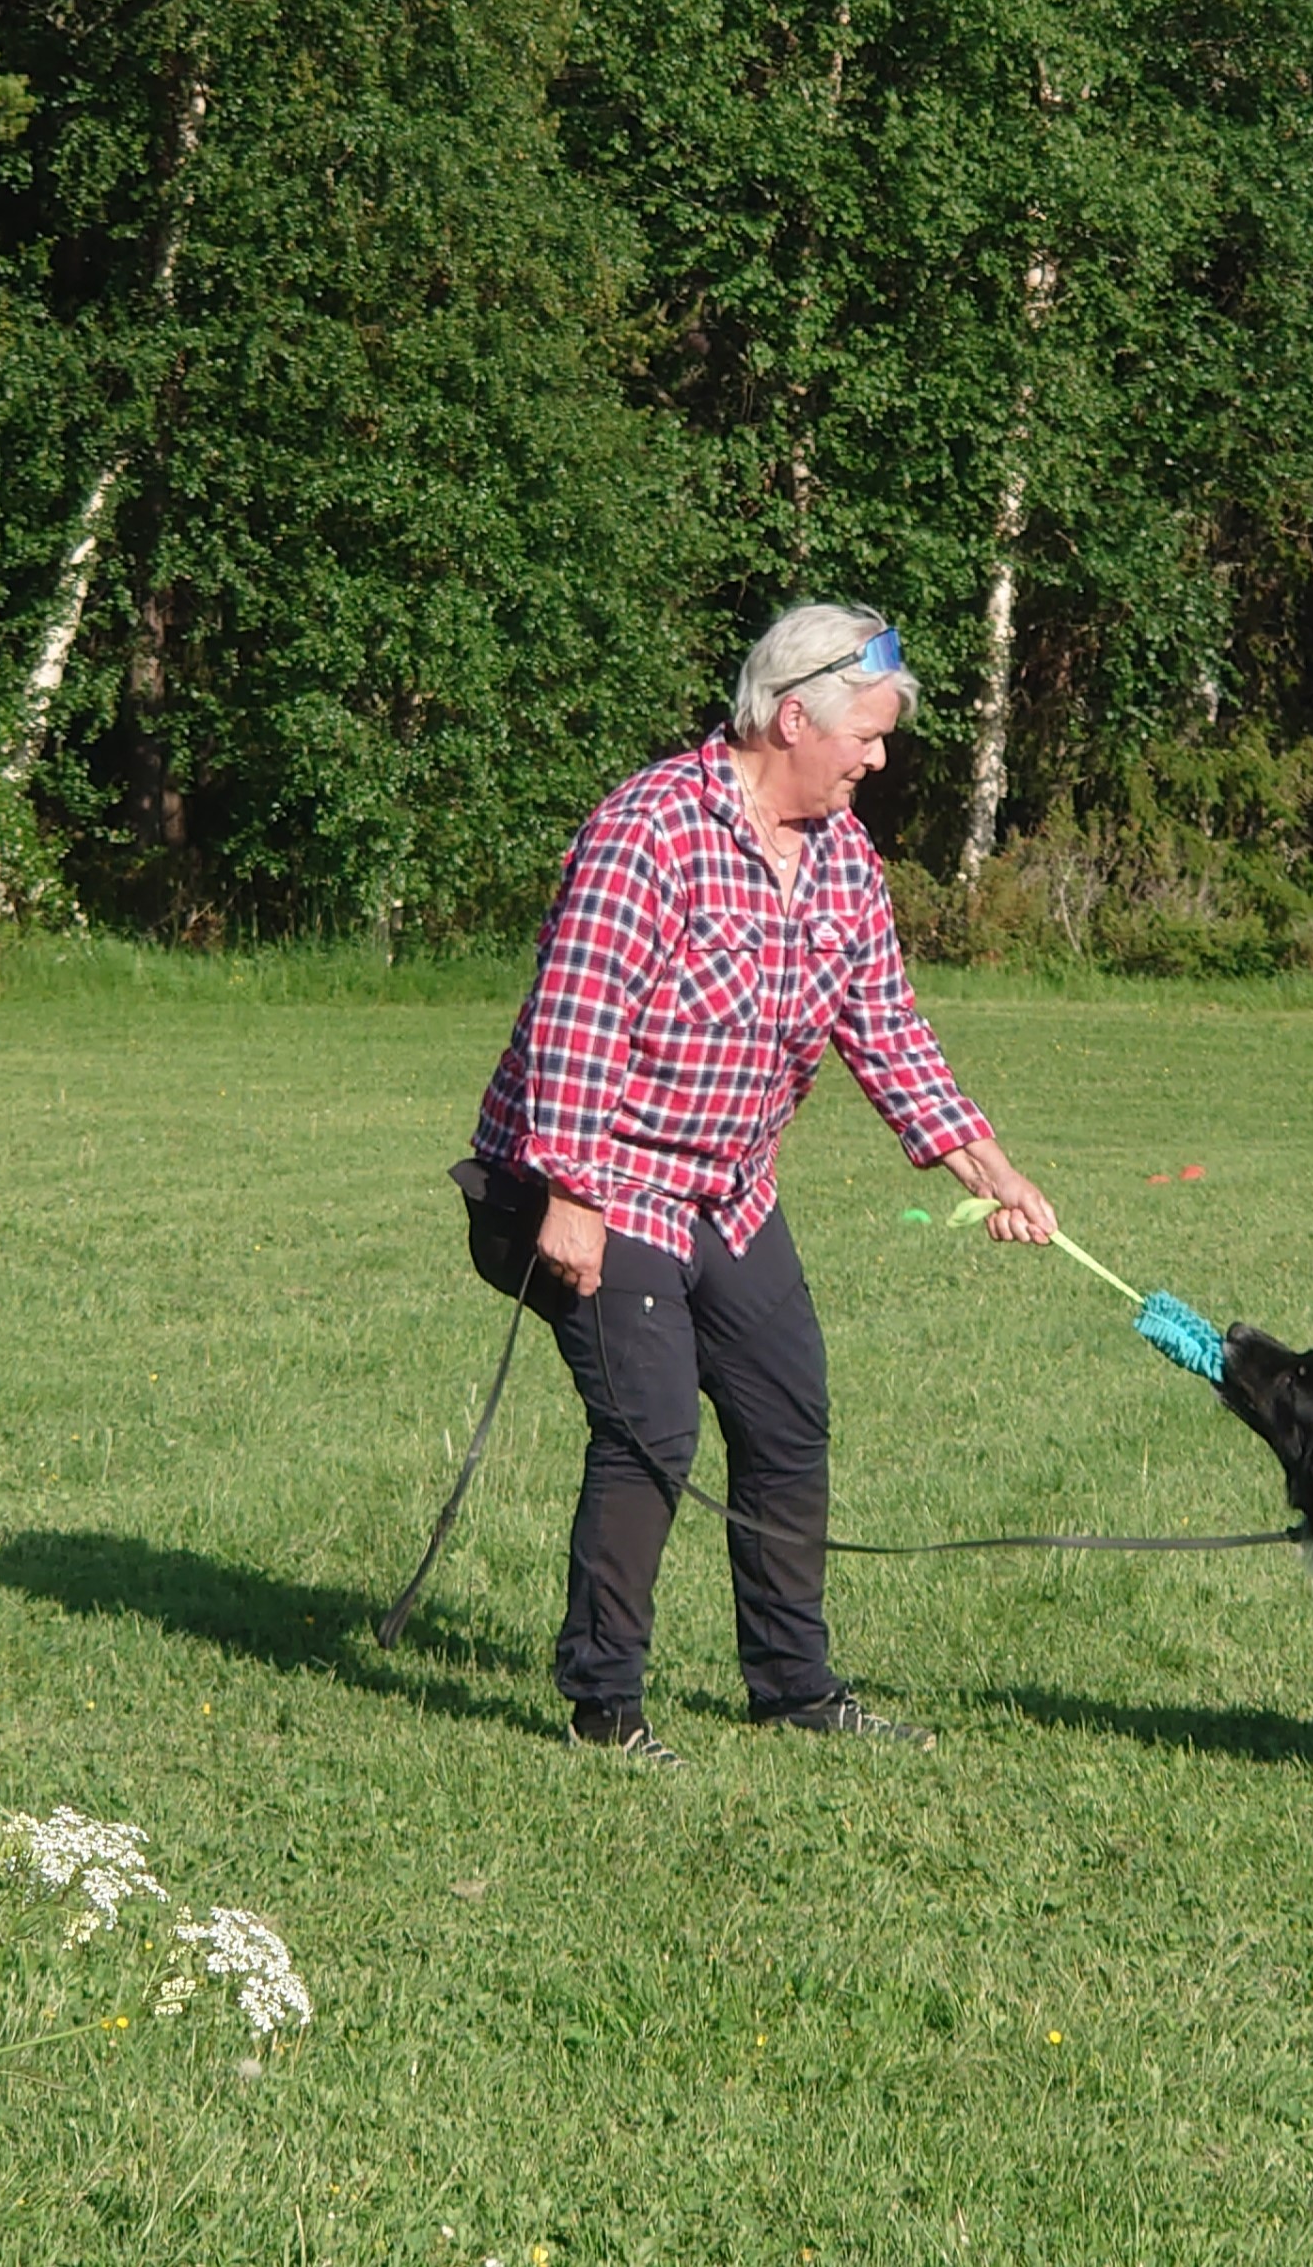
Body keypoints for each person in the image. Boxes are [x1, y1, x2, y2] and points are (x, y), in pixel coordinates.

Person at [459, 602, 1056, 1766]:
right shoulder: (653, 830)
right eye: (867, 737)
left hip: (731, 1189)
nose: (878, 761)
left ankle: (793, 1687)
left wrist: (990, 1164)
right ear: (794, 719)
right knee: (652, 1435)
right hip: (603, 1175)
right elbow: (579, 1025)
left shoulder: (842, 860)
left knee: (787, 1414)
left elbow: (886, 1030)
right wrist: (572, 1197)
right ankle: (605, 1705)